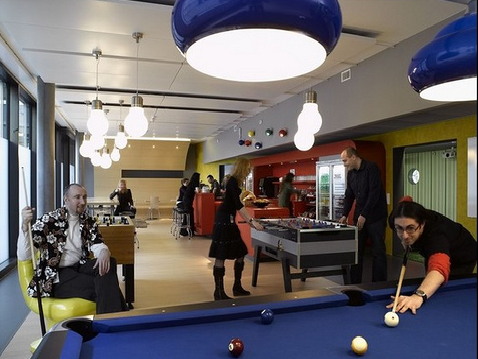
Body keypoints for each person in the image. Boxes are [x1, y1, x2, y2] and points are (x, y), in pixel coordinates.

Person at [17, 184, 128, 314]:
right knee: (107, 287)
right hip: (57, 275)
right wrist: (24, 226)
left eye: (84, 197)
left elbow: (97, 241)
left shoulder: (87, 220)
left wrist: (103, 251)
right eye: (77, 197)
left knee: (110, 262)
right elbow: (25, 255)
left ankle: (113, 322)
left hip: (79, 267)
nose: (82, 202)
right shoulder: (49, 220)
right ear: (66, 200)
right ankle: (115, 322)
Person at [386, 199, 477, 314]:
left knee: (443, 288)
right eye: (399, 228)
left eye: (410, 228)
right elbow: (406, 200)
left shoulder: (435, 237)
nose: (404, 236)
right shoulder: (396, 218)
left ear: (422, 224)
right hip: (433, 249)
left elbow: (439, 268)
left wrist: (418, 296)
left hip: (462, 255)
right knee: (429, 279)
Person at [208, 157, 264, 300]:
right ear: (242, 168)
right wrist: (252, 222)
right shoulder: (232, 181)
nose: (248, 171)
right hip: (224, 220)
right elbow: (239, 206)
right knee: (221, 255)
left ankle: (237, 286)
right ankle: (218, 292)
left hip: (228, 219)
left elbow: (238, 204)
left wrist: (251, 221)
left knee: (240, 252)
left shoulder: (234, 182)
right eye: (247, 168)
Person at [338, 147, 388, 283]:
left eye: (345, 160)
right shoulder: (351, 174)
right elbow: (349, 195)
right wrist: (344, 214)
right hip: (360, 216)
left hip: (376, 216)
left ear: (353, 157)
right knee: (356, 251)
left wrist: (364, 215)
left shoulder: (372, 168)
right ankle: (354, 283)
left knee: (378, 251)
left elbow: (374, 194)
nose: (344, 164)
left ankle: (379, 285)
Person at [179, 172, 200, 236]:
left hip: (186, 201)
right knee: (189, 215)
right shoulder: (194, 185)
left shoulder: (191, 184)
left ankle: (185, 231)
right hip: (188, 202)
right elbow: (198, 191)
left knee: (188, 215)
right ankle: (188, 231)